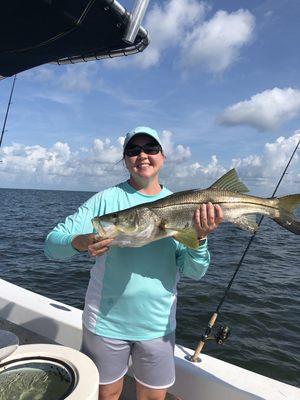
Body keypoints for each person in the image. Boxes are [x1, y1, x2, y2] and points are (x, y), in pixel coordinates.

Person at [44, 126, 223, 400]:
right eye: (133, 150)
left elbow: (194, 271)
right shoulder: (105, 200)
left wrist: (199, 238)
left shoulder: (182, 203)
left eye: (151, 149)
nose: (143, 155)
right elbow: (51, 245)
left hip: (158, 326)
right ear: (125, 159)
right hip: (105, 324)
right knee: (107, 394)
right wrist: (81, 242)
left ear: (162, 156)